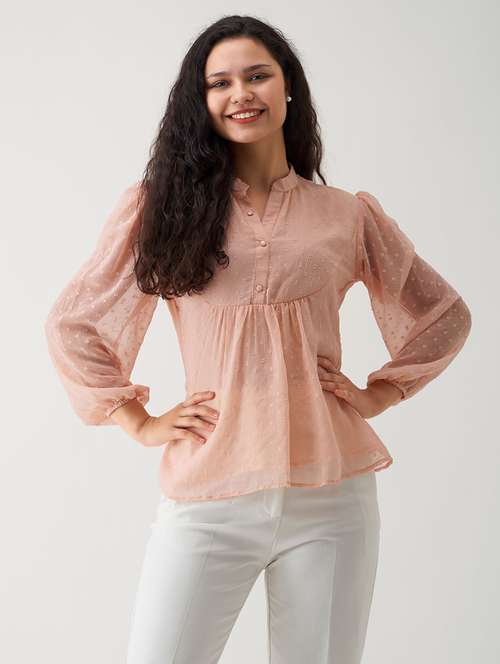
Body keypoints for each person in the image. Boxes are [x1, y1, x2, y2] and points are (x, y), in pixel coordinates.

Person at [44, 14, 472, 664]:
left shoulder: (345, 214)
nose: (240, 93)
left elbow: (443, 314)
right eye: (219, 83)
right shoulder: (161, 208)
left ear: (287, 86)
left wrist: (380, 393)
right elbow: (74, 323)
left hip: (331, 497)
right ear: (201, 101)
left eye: (256, 76)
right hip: (209, 493)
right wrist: (138, 421)